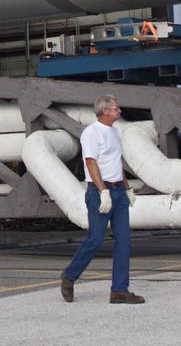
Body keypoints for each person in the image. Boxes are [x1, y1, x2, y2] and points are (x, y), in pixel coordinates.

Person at [59, 94, 144, 304]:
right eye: (116, 108)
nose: (119, 111)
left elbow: (117, 163)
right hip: (100, 193)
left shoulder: (115, 133)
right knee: (96, 239)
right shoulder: (91, 133)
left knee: (124, 241)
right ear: (105, 111)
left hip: (118, 193)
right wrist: (103, 191)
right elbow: (91, 163)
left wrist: (127, 189)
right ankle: (69, 276)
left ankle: (119, 290)